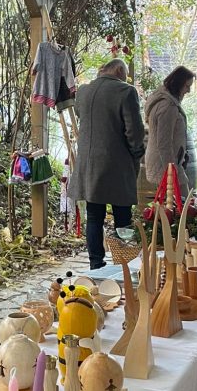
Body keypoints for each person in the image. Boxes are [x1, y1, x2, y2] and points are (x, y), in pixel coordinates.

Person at [69, 58, 145, 270]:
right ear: (119, 70)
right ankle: (124, 264)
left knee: (94, 217)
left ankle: (96, 265)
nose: (126, 78)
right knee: (123, 217)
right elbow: (134, 132)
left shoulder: (83, 92)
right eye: (126, 74)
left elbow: (82, 116)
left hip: (88, 165)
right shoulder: (125, 92)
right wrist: (137, 154)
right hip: (117, 166)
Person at [144, 65, 196, 198]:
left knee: (175, 205)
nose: (188, 90)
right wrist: (172, 172)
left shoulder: (165, 102)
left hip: (166, 162)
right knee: (183, 204)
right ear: (178, 84)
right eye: (187, 86)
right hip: (166, 164)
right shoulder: (168, 106)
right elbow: (164, 142)